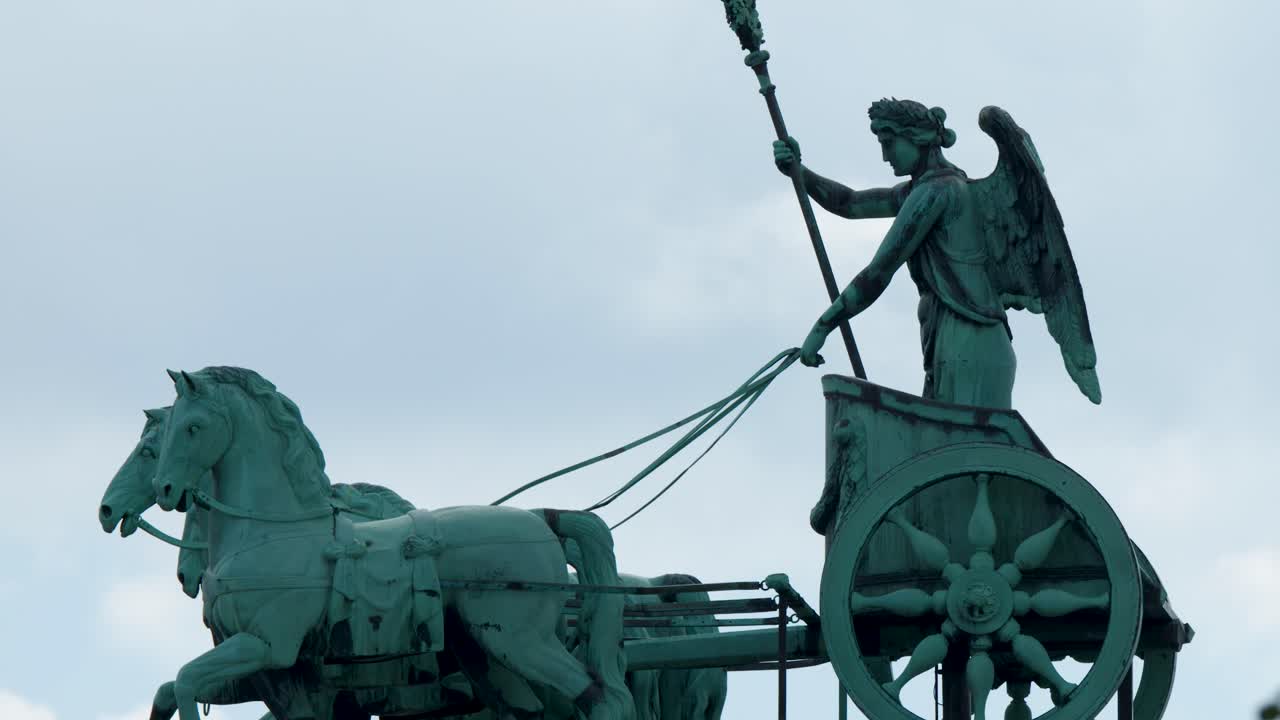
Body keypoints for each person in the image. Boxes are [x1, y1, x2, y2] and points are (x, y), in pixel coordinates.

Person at [776, 98, 1016, 409]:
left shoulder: (939, 192)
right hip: (955, 336)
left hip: (970, 341)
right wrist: (800, 172)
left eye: (889, 143)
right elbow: (849, 203)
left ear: (917, 139)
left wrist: (822, 327)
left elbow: (879, 271)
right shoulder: (920, 190)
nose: (884, 155)